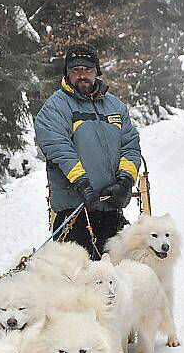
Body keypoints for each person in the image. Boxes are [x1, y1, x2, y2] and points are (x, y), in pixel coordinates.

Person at [34, 43, 141, 259]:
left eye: (88, 70)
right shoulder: (55, 107)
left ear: (96, 72)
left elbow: (130, 146)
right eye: (76, 70)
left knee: (116, 278)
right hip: (73, 212)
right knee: (77, 283)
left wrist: (125, 182)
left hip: (111, 209)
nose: (82, 75)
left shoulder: (115, 107)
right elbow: (58, 148)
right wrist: (82, 184)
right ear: (67, 73)